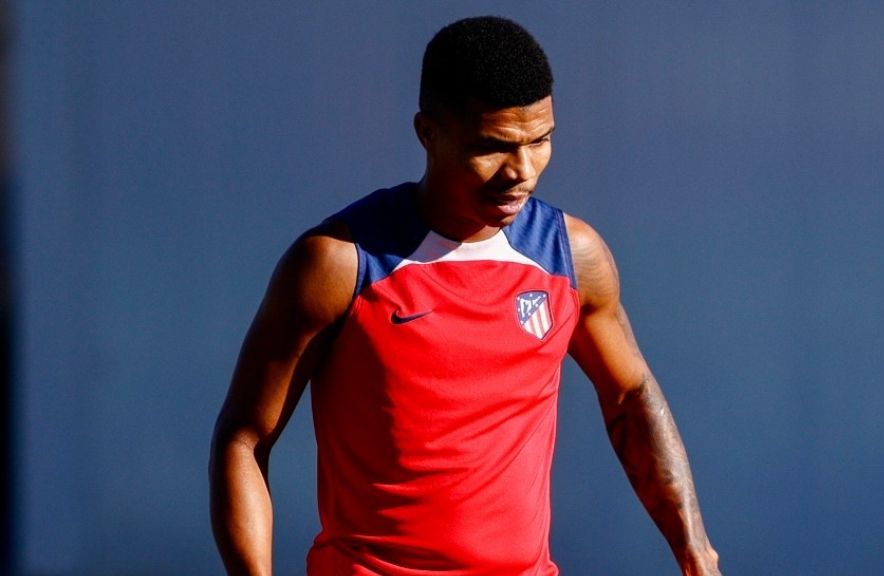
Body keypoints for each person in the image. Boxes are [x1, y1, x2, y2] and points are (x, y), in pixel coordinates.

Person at [210, 16, 721, 576]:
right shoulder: (337, 263)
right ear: (428, 132)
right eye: (492, 147)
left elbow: (629, 397)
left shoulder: (572, 257)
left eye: (540, 141)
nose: (522, 172)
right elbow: (244, 439)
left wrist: (694, 550)